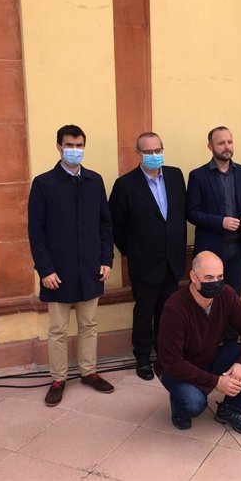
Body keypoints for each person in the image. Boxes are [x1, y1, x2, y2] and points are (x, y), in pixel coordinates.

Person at [28, 124, 115, 406]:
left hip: (91, 269)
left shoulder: (94, 180)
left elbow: (105, 224)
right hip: (58, 272)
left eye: (79, 146)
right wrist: (45, 269)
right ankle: (59, 378)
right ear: (58, 147)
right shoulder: (44, 184)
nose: (74, 151)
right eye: (69, 145)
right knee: (58, 330)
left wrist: (106, 260)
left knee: (89, 324)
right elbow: (36, 232)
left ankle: (89, 372)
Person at [154, 251, 241, 435]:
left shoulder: (226, 294)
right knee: (194, 404)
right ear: (193, 277)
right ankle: (179, 407)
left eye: (220, 277)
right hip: (175, 370)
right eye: (208, 277)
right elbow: (172, 362)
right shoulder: (175, 308)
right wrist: (216, 382)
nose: (216, 283)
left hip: (210, 357)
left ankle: (230, 408)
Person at [109, 132, 187, 381]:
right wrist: (133, 252)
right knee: (144, 312)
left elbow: (178, 216)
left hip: (172, 261)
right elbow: (116, 226)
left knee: (168, 312)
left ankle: (166, 356)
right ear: (138, 153)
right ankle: (142, 358)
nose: (154, 156)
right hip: (144, 262)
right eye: (148, 152)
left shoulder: (175, 176)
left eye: (157, 150)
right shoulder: (125, 185)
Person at [187, 126, 241, 296]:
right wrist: (221, 222)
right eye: (221, 143)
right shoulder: (198, 175)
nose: (227, 146)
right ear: (210, 147)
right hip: (210, 249)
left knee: (233, 298)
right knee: (209, 299)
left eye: (230, 142)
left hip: (238, 249)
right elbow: (191, 212)